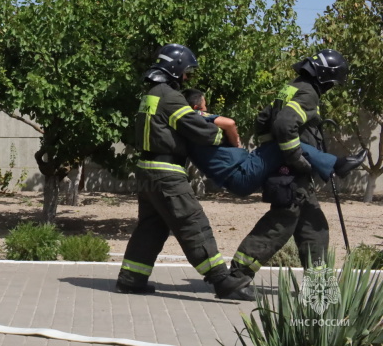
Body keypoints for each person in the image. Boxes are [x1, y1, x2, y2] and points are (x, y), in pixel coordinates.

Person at [115, 43, 253, 301]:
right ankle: (222, 281)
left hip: (147, 170)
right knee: (193, 223)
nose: (187, 77)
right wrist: (218, 133)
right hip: (166, 172)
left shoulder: (151, 94)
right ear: (175, 68)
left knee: (151, 227)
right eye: (186, 72)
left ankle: (131, 279)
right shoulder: (170, 96)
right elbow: (196, 128)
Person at [229, 49, 355, 281]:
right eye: (332, 82)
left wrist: (275, 151)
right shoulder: (307, 92)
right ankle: (237, 278)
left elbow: (263, 120)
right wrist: (294, 157)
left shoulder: (292, 87)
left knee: (314, 226)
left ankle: (318, 285)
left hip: (290, 173)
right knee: (279, 225)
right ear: (324, 77)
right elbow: (285, 124)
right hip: (292, 173)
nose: (331, 87)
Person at [181, 88, 366, 197]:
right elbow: (229, 123)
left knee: (279, 149)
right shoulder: (195, 116)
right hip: (240, 174)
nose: (207, 109)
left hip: (239, 173)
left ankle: (324, 166)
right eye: (205, 106)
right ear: (197, 107)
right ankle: (336, 165)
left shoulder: (186, 128)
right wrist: (236, 142)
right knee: (284, 144)